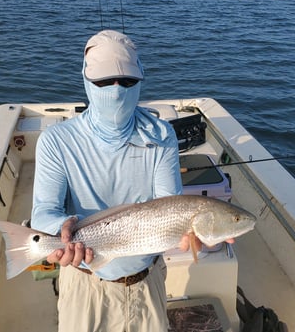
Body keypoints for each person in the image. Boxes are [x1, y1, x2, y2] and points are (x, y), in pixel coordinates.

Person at [31, 29, 183, 332]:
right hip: (86, 285)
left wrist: (198, 230)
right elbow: (43, 211)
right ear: (86, 80)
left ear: (141, 79)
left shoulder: (161, 135)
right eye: (103, 81)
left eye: (127, 81)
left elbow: (171, 208)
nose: (116, 91)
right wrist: (59, 233)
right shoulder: (57, 141)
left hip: (146, 283)